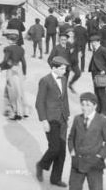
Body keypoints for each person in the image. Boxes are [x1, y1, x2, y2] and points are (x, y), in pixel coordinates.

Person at [35, 56, 71, 188]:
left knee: (62, 151)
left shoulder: (64, 79)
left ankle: (55, 179)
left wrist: (67, 114)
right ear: (54, 68)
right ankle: (41, 165)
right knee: (55, 147)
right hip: (50, 119)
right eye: (62, 68)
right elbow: (39, 102)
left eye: (65, 68)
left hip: (62, 118)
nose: (64, 70)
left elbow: (65, 98)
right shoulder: (45, 81)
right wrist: (44, 120)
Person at [68, 92, 106, 190]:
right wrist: (72, 151)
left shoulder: (102, 121)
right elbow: (71, 137)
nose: (84, 108)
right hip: (78, 161)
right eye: (82, 104)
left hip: (94, 163)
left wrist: (100, 156)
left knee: (96, 188)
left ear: (95, 106)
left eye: (88, 105)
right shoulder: (77, 119)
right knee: (74, 187)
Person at [88, 34, 106, 117]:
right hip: (94, 72)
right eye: (92, 42)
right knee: (96, 92)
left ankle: (104, 111)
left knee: (102, 93)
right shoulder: (95, 49)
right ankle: (98, 108)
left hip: (100, 73)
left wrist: (105, 70)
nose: (93, 44)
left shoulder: (103, 49)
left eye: (95, 42)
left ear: (99, 42)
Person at [1, 30, 28, 120]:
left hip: (11, 69)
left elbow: (5, 60)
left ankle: (13, 111)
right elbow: (24, 62)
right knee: (19, 90)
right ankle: (22, 111)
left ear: (9, 40)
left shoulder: (8, 49)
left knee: (11, 90)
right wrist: (24, 73)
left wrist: (1, 67)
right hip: (19, 69)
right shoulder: (21, 49)